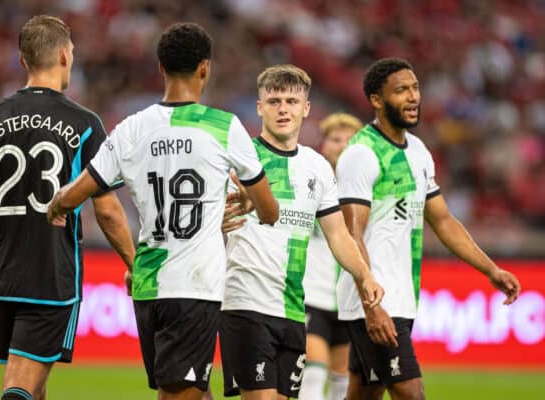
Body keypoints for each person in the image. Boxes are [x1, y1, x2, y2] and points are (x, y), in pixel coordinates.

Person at [47, 22, 279, 400]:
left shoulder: (131, 129)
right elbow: (269, 211)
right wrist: (250, 201)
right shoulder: (225, 127)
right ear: (205, 67)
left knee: (189, 391)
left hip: (149, 286)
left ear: (160, 68)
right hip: (194, 286)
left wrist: (57, 205)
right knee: (180, 395)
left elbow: (79, 193)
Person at [0, 15, 134, 400]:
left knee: (34, 382)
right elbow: (109, 210)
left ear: (22, 60)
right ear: (65, 57)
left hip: (0, 273)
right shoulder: (84, 124)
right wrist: (135, 263)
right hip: (51, 273)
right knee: (20, 383)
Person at [336, 57, 521, 400]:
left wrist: (491, 270)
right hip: (374, 302)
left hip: (403, 298)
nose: (413, 97)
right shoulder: (361, 154)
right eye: (401, 90)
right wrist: (371, 303)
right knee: (412, 394)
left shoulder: (419, 152)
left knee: (363, 395)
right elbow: (351, 233)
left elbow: (444, 221)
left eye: (415, 88)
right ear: (376, 100)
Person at [219, 64, 383, 400]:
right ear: (259, 107)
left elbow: (338, 235)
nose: (283, 109)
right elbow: (206, 220)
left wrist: (364, 277)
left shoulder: (317, 166)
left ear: (306, 108)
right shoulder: (239, 160)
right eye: (275, 100)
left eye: (292, 102)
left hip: (292, 307)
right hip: (245, 303)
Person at [299, 113, 363, 400]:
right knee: (312, 377)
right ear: (323, 145)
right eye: (336, 139)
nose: (342, 146)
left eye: (350, 141)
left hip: (349, 299)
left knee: (342, 383)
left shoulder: (367, 190)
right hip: (311, 293)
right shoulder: (307, 181)